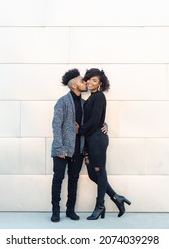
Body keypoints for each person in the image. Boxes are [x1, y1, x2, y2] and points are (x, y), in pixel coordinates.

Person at [50, 68, 107, 222]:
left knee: (73, 179)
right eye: (82, 81)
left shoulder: (84, 103)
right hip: (62, 150)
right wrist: (59, 147)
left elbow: (94, 118)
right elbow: (56, 126)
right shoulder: (62, 102)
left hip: (78, 149)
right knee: (58, 179)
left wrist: (105, 124)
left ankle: (70, 210)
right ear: (74, 86)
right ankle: (55, 210)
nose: (86, 82)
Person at [78, 68, 131, 220]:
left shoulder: (99, 96)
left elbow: (95, 121)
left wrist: (79, 130)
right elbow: (96, 119)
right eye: (88, 79)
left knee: (99, 172)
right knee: (93, 174)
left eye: (94, 80)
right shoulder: (91, 98)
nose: (90, 82)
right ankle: (116, 197)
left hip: (97, 140)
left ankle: (100, 206)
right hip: (90, 139)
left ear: (100, 83)